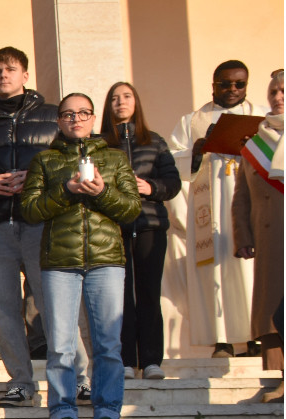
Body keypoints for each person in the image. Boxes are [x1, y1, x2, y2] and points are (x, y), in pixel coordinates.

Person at [0, 46, 89, 408]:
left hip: (40, 224)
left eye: (11, 69)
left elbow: (70, 163)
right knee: (4, 308)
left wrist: (39, 180)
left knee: (56, 305)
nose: (3, 75)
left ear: (25, 75)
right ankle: (20, 381)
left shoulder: (53, 116)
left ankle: (78, 378)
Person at [20, 93, 141, 419]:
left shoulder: (115, 160)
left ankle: (107, 414)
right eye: (68, 114)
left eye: (83, 113)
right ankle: (63, 413)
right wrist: (68, 189)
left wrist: (101, 192)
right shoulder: (44, 161)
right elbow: (30, 209)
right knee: (60, 345)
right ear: (58, 121)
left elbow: (132, 210)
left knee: (108, 345)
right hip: (59, 263)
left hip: (106, 262)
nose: (76, 119)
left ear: (93, 119)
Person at [169, 60, 267, 357]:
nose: (233, 89)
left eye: (240, 84)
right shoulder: (192, 121)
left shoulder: (260, 117)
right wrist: (195, 152)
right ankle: (222, 341)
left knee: (249, 271)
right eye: (226, 83)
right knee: (215, 273)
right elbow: (174, 161)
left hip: (248, 206)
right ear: (213, 84)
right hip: (210, 209)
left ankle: (256, 339)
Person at [100, 82, 182, 380]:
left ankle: (151, 361)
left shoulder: (155, 141)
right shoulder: (100, 143)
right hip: (113, 228)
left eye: (126, 96)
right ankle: (124, 360)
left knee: (149, 291)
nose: (120, 102)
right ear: (108, 106)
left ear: (136, 102)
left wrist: (152, 187)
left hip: (150, 225)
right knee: (119, 295)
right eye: (114, 98)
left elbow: (172, 182)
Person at [232, 69, 285, 376]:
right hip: (267, 237)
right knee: (269, 307)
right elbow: (241, 197)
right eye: (272, 93)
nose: (277, 98)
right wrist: (242, 236)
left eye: (283, 91)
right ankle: (277, 378)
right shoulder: (254, 146)